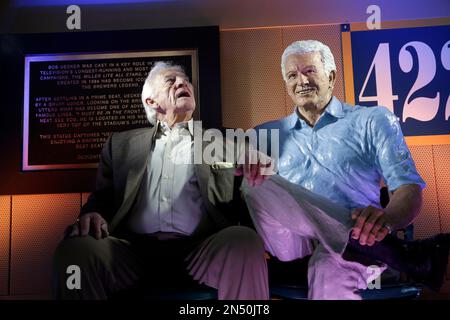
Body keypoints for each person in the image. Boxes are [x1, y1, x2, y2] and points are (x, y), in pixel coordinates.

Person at [242, 40, 450, 299]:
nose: (301, 81)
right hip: (290, 248)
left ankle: (352, 241)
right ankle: (400, 252)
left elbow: (409, 188)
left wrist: (385, 220)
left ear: (331, 76)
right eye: (292, 75)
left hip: (362, 244)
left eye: (309, 71)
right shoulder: (265, 135)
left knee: (328, 265)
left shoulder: (373, 120)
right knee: (253, 180)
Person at [52, 61, 269, 300]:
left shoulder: (228, 141)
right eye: (171, 80)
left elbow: (254, 192)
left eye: (185, 80)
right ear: (151, 102)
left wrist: (258, 164)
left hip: (203, 249)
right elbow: (101, 199)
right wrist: (91, 214)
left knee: (244, 240)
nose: (182, 82)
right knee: (76, 249)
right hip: (129, 252)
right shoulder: (120, 145)